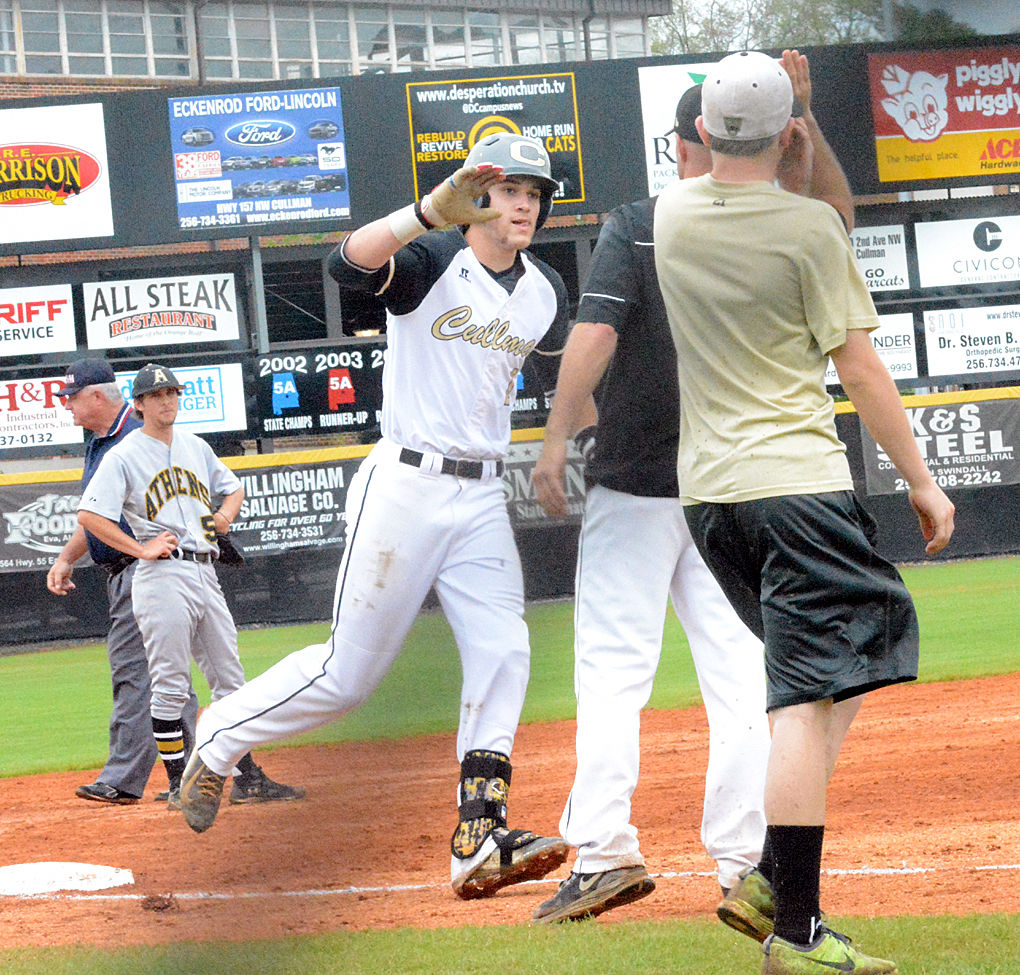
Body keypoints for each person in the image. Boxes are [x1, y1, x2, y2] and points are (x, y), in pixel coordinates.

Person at [177, 133, 572, 901]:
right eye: (508, 187)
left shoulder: (544, 289)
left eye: (535, 190)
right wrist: (426, 213)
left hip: (483, 491)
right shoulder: (430, 264)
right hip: (407, 484)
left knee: (504, 650)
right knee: (347, 675)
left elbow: (570, 368)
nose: (524, 201)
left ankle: (478, 836)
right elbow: (344, 266)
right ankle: (219, 737)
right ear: (476, 195)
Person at [529, 51, 851, 925]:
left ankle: (603, 852)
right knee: (745, 681)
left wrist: (556, 437)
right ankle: (749, 862)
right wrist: (806, 123)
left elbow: (594, 336)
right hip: (729, 486)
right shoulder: (782, 220)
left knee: (611, 675)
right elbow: (838, 216)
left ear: (686, 140)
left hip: (636, 483)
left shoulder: (641, 222)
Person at [653, 51, 955, 975]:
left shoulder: (669, 218)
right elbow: (859, 366)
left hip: (711, 500)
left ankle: (773, 879)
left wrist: (789, 128)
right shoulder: (811, 229)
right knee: (806, 696)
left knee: (837, 660)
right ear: (789, 134)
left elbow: (760, 183)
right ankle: (795, 924)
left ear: (701, 134)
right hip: (795, 485)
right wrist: (921, 478)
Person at [76, 363, 305, 811]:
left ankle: (246, 776)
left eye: (172, 393)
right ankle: (180, 782)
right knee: (170, 686)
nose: (166, 401)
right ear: (138, 404)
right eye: (156, 395)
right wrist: (140, 549)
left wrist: (221, 520)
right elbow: (90, 516)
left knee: (231, 681)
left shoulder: (195, 447)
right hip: (161, 577)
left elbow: (233, 488)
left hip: (205, 570)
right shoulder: (122, 455)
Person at [48, 357, 199, 806]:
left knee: (135, 672)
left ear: (97, 396)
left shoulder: (135, 437)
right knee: (170, 677)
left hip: (148, 570)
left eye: (71, 397)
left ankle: (123, 778)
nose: (67, 407)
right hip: (133, 571)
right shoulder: (101, 442)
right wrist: (67, 558)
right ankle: (197, 771)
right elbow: (96, 515)